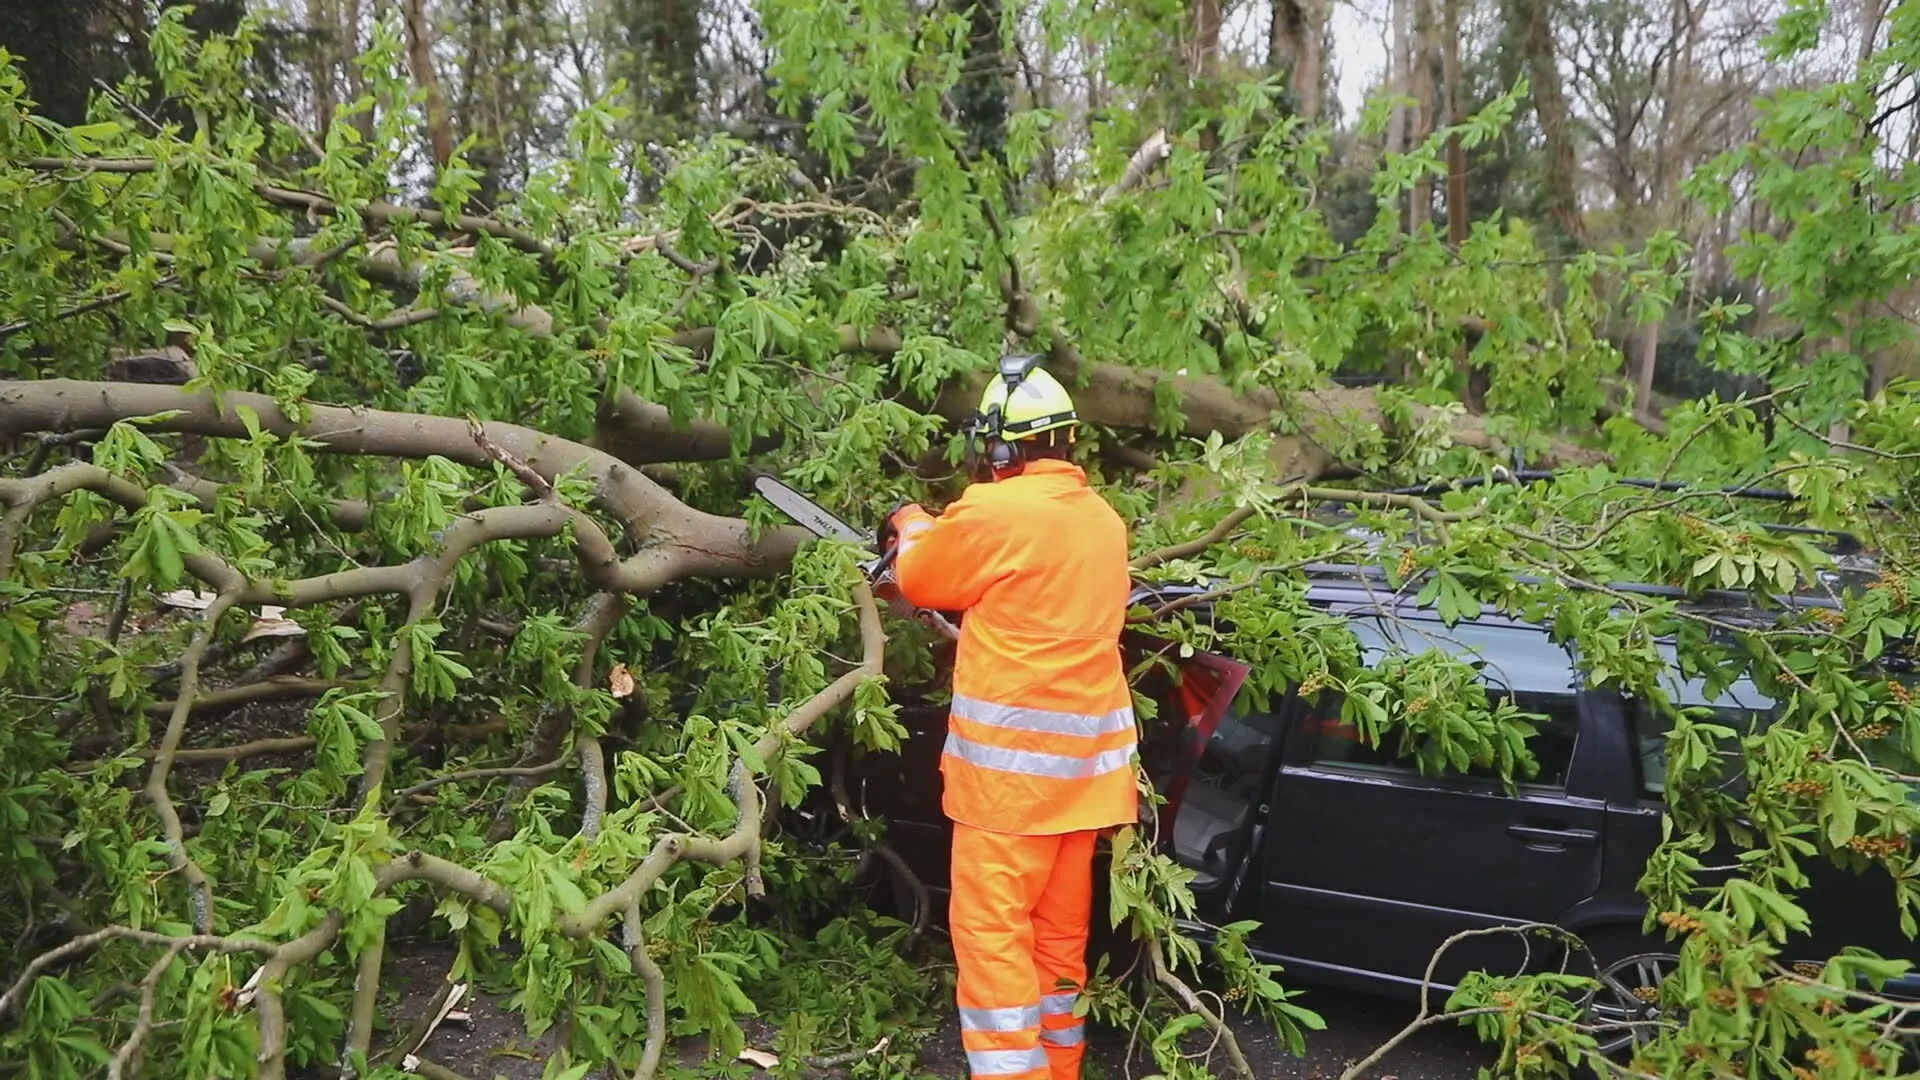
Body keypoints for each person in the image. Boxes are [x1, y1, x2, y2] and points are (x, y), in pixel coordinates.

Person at [879, 353, 1137, 1080]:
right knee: (1057, 945)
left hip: (1009, 788)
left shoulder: (994, 511)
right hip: (1083, 785)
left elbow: (922, 577)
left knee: (992, 943)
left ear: (999, 448)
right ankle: (1061, 1070)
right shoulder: (1103, 521)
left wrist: (910, 522)